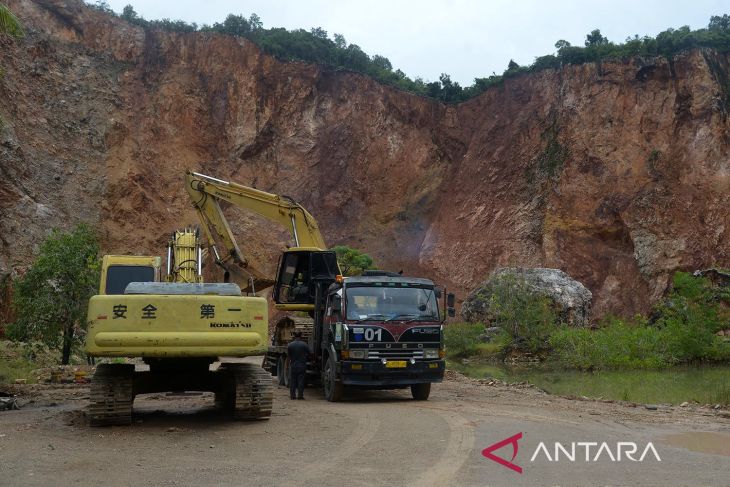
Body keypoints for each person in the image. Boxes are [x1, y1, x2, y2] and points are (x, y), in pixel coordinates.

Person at [287, 331, 311, 400]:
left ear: (294, 337)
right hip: (302, 366)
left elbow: (288, 357)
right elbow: (310, 353)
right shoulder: (304, 345)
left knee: (293, 381)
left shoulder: (290, 345)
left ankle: (292, 396)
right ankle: (300, 396)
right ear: (301, 337)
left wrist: (287, 367)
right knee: (301, 381)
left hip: (293, 366)